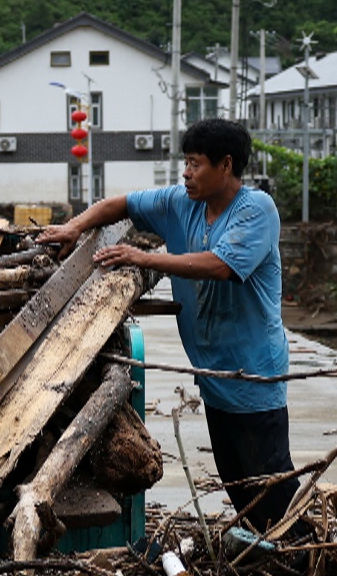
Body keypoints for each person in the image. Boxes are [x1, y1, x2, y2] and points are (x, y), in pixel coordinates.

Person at [37, 118, 295, 531]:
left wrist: (143, 257)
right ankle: (267, 553)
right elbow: (121, 204)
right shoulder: (182, 202)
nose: (186, 173)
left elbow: (221, 266)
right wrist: (74, 227)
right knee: (238, 486)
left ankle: (298, 555)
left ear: (226, 165)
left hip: (254, 376)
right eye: (185, 163)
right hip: (213, 376)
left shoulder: (256, 209)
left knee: (272, 488)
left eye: (196, 164)